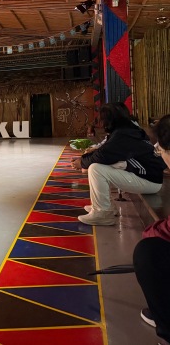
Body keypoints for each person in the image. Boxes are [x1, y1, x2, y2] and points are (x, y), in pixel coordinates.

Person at [70, 102, 166, 226]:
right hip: (147, 177)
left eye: (102, 119)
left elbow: (103, 155)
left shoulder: (123, 134)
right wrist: (83, 160)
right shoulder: (127, 130)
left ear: (109, 119)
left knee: (96, 169)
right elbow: (105, 151)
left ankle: (103, 213)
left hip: (149, 181)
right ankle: (106, 206)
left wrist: (82, 162)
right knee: (98, 166)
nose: (101, 123)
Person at [133, 114, 170, 345]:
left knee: (148, 253)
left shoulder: (125, 135)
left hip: (149, 181)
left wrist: (152, 233)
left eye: (161, 149)